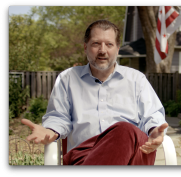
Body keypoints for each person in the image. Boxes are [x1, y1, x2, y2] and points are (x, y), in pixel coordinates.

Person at [21, 19, 168, 165]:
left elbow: (152, 114)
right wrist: (51, 130)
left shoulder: (137, 79)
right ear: (85, 47)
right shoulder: (68, 78)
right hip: (85, 156)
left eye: (109, 44)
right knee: (124, 130)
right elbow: (59, 116)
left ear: (117, 48)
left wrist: (154, 130)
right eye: (96, 44)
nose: (102, 50)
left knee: (125, 130)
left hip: (133, 155)